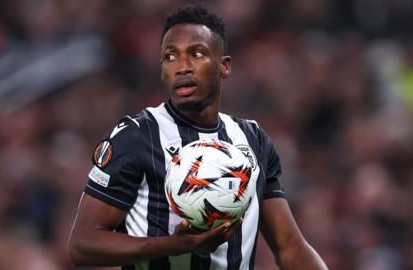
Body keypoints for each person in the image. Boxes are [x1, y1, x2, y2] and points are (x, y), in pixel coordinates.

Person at [69, 4, 328, 270]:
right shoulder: (136, 135)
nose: (182, 67)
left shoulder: (254, 141)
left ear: (224, 66)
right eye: (170, 57)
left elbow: (290, 247)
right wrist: (174, 245)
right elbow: (82, 245)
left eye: (196, 53)